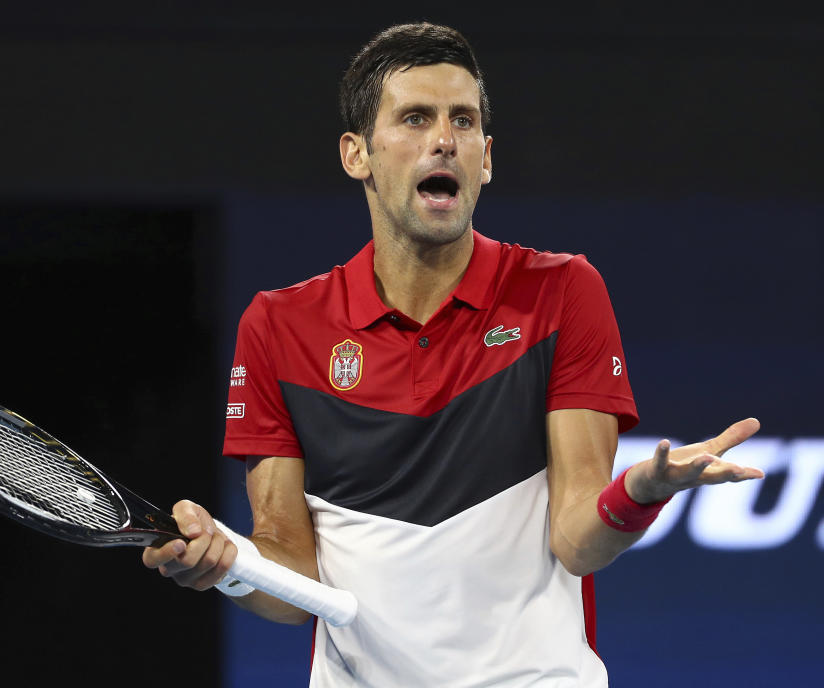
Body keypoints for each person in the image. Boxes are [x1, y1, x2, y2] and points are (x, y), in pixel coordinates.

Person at [142, 22, 764, 687]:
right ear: (357, 155)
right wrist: (225, 567)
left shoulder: (560, 293)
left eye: (462, 122)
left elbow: (578, 540)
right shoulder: (280, 325)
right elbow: (291, 572)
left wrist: (641, 493)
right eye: (415, 118)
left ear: (486, 158)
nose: (444, 139)